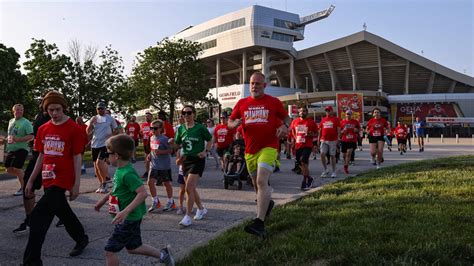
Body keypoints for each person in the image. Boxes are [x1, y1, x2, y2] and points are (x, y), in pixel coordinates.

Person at [23, 91, 89, 265]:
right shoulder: (43, 129)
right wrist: (30, 180)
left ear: (64, 108)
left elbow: (77, 157)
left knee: (38, 218)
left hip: (63, 179)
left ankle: (31, 261)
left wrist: (76, 184)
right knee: (64, 213)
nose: (54, 113)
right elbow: (41, 156)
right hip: (48, 178)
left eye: (58, 109)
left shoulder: (74, 129)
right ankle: (81, 238)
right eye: (50, 110)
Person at [94, 134, 174, 266]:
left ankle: (163, 255)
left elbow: (142, 194)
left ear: (117, 156)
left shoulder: (127, 173)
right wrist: (103, 200)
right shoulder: (120, 171)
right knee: (133, 248)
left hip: (128, 218)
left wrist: (125, 212)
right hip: (128, 217)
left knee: (110, 250)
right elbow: (116, 189)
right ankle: (163, 255)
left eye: (108, 153)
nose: (106, 156)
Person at [228, 72, 290, 238]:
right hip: (250, 151)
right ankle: (267, 203)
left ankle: (259, 223)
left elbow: (287, 118)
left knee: (262, 180)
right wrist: (234, 123)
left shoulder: (273, 102)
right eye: (252, 83)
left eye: (258, 83)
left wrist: (285, 126)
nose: (254, 86)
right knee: (256, 186)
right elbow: (230, 122)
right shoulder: (242, 103)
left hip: (269, 147)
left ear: (264, 85)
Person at [12, 103, 50, 234]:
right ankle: (30, 219)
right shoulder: (39, 116)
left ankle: (77, 233)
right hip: (37, 156)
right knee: (27, 187)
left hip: (51, 160)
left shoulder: (54, 117)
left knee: (53, 195)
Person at [174, 105, 213, 227]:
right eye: (184, 113)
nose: (186, 115)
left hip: (197, 160)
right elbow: (177, 145)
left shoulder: (200, 128)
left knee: (188, 187)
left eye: (189, 113)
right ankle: (201, 208)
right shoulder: (181, 129)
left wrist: (205, 151)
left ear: (194, 114)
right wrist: (177, 157)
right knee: (190, 188)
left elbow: (210, 139)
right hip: (186, 160)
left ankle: (187, 216)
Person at [2, 104, 34, 196]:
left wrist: (19, 139)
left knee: (17, 168)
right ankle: (24, 177)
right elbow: (10, 135)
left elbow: (31, 136)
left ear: (23, 111)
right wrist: (3, 140)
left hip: (22, 148)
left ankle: (24, 188)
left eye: (21, 110)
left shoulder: (26, 122)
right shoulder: (11, 121)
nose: (19, 111)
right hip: (11, 149)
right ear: (13, 111)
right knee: (8, 169)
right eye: (17, 110)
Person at [87, 102, 118, 193]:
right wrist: (91, 124)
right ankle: (101, 184)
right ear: (96, 110)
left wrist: (111, 135)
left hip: (105, 144)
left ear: (105, 109)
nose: (100, 110)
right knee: (96, 167)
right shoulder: (94, 118)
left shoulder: (110, 119)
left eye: (102, 108)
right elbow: (88, 132)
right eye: (98, 108)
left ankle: (105, 182)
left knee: (99, 163)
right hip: (94, 144)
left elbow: (117, 129)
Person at [147, 119, 176, 213]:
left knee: (166, 184)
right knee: (150, 182)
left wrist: (161, 152)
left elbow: (171, 151)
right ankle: (155, 201)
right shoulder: (151, 137)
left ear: (160, 129)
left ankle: (171, 201)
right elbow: (153, 149)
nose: (153, 130)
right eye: (151, 128)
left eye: (155, 128)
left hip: (164, 166)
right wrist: (149, 155)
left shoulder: (164, 139)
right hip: (154, 165)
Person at [289, 106, 318, 190]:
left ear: (307, 112)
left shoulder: (311, 122)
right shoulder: (295, 121)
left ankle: (304, 181)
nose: (302, 112)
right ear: (299, 112)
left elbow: (316, 133)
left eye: (304, 111)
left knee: (303, 161)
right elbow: (293, 131)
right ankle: (309, 178)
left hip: (307, 145)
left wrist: (311, 135)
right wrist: (295, 139)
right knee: (300, 164)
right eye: (301, 111)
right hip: (298, 145)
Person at [318, 106, 340, 178]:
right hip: (324, 140)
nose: (327, 112)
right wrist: (318, 139)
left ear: (332, 111)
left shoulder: (336, 119)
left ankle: (334, 171)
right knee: (322, 154)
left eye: (329, 110)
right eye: (326, 110)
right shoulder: (323, 119)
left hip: (333, 140)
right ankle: (325, 170)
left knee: (332, 156)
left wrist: (338, 139)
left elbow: (338, 130)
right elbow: (320, 130)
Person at [340, 110, 361, 174]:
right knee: (344, 155)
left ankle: (346, 167)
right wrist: (343, 131)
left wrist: (356, 130)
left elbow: (359, 129)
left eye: (349, 114)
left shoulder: (355, 122)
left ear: (352, 115)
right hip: (344, 140)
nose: (348, 115)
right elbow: (339, 132)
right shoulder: (342, 122)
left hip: (352, 140)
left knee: (349, 153)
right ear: (345, 115)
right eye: (347, 114)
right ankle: (345, 163)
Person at [140, 111, 153, 178]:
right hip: (145, 143)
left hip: (152, 143)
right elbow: (141, 133)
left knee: (153, 158)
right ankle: (147, 172)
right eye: (146, 116)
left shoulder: (153, 124)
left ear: (151, 117)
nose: (146, 117)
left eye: (148, 116)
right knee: (146, 159)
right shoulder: (143, 124)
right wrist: (141, 137)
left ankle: (156, 173)